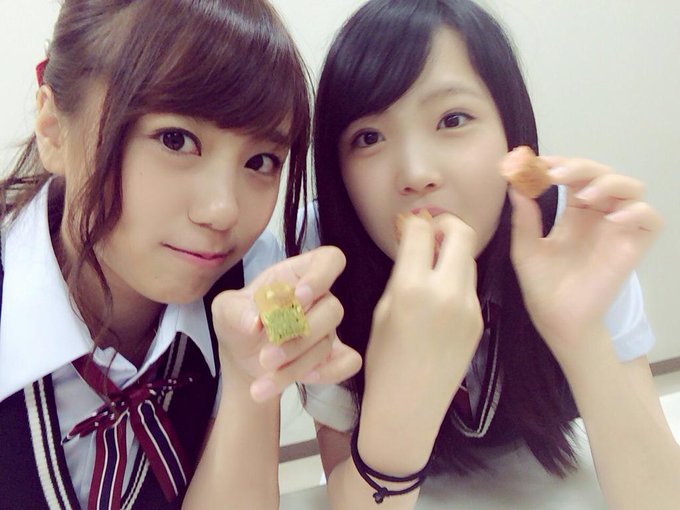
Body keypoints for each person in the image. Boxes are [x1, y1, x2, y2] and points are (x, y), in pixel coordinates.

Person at [292, 0, 680, 508]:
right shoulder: (327, 253)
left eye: (452, 119)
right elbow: (344, 486)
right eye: (369, 137)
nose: (415, 173)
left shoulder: (571, 233)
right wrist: (397, 407)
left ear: (511, 135)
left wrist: (581, 335)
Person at [0, 1, 360, 509]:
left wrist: (252, 375)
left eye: (260, 161)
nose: (223, 210)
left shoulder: (250, 282)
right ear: (53, 127)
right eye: (176, 139)